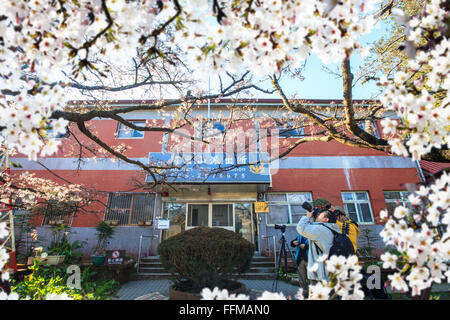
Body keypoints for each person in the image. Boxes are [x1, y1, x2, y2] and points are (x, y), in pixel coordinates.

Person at [296, 208, 341, 285]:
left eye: (320, 215)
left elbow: (301, 228)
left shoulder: (321, 229)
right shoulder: (332, 228)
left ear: (326, 219)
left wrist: (307, 217)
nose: (318, 215)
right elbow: (312, 226)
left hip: (321, 272)